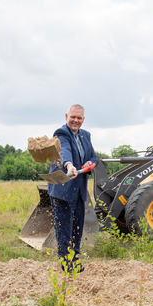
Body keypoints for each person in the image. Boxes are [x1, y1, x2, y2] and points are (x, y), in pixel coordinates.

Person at [48, 104, 98, 272]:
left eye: (79, 118)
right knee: (64, 228)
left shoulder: (86, 135)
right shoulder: (61, 133)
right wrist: (69, 165)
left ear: (83, 119)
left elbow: (93, 155)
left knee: (77, 226)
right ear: (66, 116)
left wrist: (91, 163)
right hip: (63, 188)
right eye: (73, 117)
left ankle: (75, 260)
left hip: (79, 189)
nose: (75, 120)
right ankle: (66, 264)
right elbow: (64, 151)